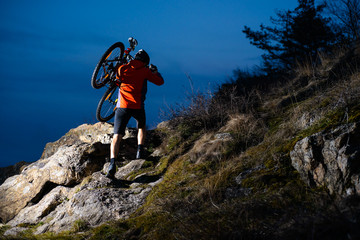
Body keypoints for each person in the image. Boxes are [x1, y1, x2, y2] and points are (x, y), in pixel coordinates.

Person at [106, 49, 164, 178]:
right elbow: (160, 82)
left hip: (122, 106)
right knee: (141, 126)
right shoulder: (145, 71)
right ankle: (139, 151)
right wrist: (155, 72)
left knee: (117, 135)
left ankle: (112, 164)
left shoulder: (122, 68)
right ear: (145, 61)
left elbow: (115, 77)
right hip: (137, 106)